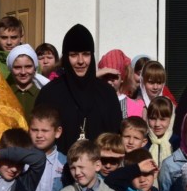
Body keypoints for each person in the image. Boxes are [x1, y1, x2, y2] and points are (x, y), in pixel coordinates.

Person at [35, 24, 122, 155]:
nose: (80, 61)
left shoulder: (107, 93)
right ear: (66, 57)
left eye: (86, 54)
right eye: (74, 55)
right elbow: (40, 136)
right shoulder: (49, 94)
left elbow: (115, 137)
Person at [98, 49, 145, 119]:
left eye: (114, 77)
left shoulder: (134, 106)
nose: (109, 82)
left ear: (122, 78)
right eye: (105, 77)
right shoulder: (95, 100)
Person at [6, 43, 48, 120]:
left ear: (35, 68)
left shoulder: (43, 95)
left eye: (28, 67)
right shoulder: (5, 94)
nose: (23, 72)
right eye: (17, 67)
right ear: (11, 69)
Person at [146, 96, 175, 165]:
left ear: (171, 119)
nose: (157, 124)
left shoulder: (176, 143)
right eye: (153, 118)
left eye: (162, 119)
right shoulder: (143, 142)